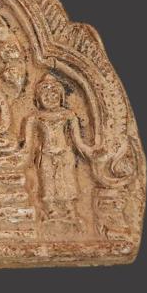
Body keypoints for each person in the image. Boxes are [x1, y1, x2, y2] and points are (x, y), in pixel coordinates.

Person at [24, 73, 97, 221]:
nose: (50, 97)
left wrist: (91, 152)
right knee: (48, 182)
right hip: (46, 153)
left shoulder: (68, 115)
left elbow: (78, 142)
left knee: (67, 181)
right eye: (45, 95)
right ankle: (51, 210)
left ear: (61, 97)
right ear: (38, 98)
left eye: (54, 94)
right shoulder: (34, 117)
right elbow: (27, 144)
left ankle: (70, 210)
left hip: (65, 153)